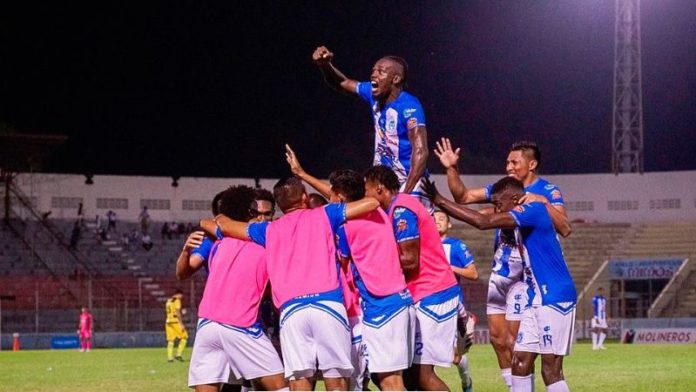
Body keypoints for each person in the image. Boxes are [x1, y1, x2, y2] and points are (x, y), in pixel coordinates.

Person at [202, 177, 380, 390]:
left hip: (292, 311)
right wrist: (336, 202)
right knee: (337, 379)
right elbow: (372, 203)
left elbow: (222, 225)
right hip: (328, 305)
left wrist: (218, 218)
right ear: (304, 197)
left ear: (279, 205)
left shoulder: (269, 230)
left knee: (299, 380)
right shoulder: (324, 214)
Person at [435, 138, 570, 390]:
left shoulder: (547, 191)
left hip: (527, 275)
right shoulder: (504, 189)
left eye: (514, 162)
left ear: (532, 164)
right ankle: (514, 386)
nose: (508, 166)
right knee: (498, 339)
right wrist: (451, 167)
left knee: (519, 342)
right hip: (502, 269)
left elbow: (563, 224)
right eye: (507, 161)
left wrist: (541, 202)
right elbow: (463, 196)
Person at [286, 145, 415, 390]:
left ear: (340, 198)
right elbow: (342, 200)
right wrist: (301, 174)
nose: (329, 199)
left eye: (332, 195)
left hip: (381, 306)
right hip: (398, 301)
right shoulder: (379, 212)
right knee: (383, 379)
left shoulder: (347, 228)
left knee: (389, 382)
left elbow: (338, 251)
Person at [178, 186, 287, 391]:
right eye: (256, 212)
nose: (262, 218)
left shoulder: (220, 239)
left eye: (266, 214)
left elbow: (212, 221)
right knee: (280, 387)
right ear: (249, 213)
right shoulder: (270, 238)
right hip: (241, 324)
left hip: (207, 323)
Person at [363, 165, 459, 391]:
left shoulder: (401, 210)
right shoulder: (393, 210)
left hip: (433, 293)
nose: (364, 195)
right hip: (422, 294)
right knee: (403, 375)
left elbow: (409, 260)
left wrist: (375, 269)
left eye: (366, 188)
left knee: (422, 375)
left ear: (379, 188)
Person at [312, 46, 431, 210]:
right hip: (381, 185)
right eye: (373, 70)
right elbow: (342, 83)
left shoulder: (409, 106)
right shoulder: (373, 94)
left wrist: (405, 194)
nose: (374, 74)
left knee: (409, 234)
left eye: (381, 71)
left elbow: (421, 152)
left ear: (395, 79)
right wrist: (325, 65)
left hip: (410, 184)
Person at [434, 210, 478, 392]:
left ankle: (466, 382)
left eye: (442, 219)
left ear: (449, 224)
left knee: (453, 356)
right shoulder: (422, 245)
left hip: (451, 304)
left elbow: (473, 273)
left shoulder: (456, 246)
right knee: (426, 357)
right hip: (427, 304)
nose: (437, 222)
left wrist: (449, 267)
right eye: (434, 219)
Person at [165, 289, 188, 363]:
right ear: (178, 294)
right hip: (175, 322)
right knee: (184, 337)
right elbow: (177, 312)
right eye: (181, 295)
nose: (181, 297)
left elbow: (171, 311)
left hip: (168, 322)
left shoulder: (168, 301)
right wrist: (181, 324)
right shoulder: (177, 300)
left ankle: (170, 358)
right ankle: (178, 354)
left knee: (170, 340)